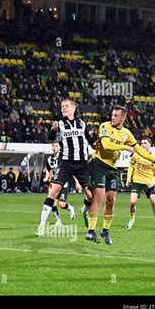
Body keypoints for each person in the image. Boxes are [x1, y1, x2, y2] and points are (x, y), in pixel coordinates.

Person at [86, 106, 155, 245]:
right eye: (112, 114)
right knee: (99, 196)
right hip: (98, 163)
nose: (113, 117)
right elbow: (105, 144)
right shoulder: (104, 126)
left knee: (111, 200)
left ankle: (105, 230)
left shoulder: (126, 133)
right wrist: (124, 147)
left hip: (112, 167)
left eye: (116, 115)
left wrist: (154, 160)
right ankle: (91, 231)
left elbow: (138, 148)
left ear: (123, 118)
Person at [36, 99, 97, 237]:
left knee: (91, 196)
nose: (63, 108)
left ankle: (83, 210)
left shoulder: (82, 124)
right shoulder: (60, 124)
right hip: (66, 163)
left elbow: (92, 142)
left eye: (66, 106)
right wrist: (53, 129)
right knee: (53, 193)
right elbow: (50, 137)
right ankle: (42, 224)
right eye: (62, 106)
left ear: (74, 108)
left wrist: (98, 142)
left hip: (82, 164)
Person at [126, 137, 155, 231]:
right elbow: (131, 166)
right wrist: (128, 178)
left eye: (145, 143)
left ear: (150, 145)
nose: (143, 145)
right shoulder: (135, 155)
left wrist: (152, 183)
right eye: (141, 143)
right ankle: (131, 219)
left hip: (149, 182)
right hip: (137, 181)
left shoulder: (154, 157)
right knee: (132, 202)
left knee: (154, 201)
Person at [42, 142, 81, 227]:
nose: (54, 147)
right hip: (53, 183)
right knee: (52, 202)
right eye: (53, 146)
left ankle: (70, 208)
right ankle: (58, 220)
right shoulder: (49, 159)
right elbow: (48, 169)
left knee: (62, 204)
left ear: (60, 148)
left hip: (64, 184)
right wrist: (46, 177)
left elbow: (72, 171)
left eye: (56, 146)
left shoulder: (64, 158)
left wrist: (77, 182)